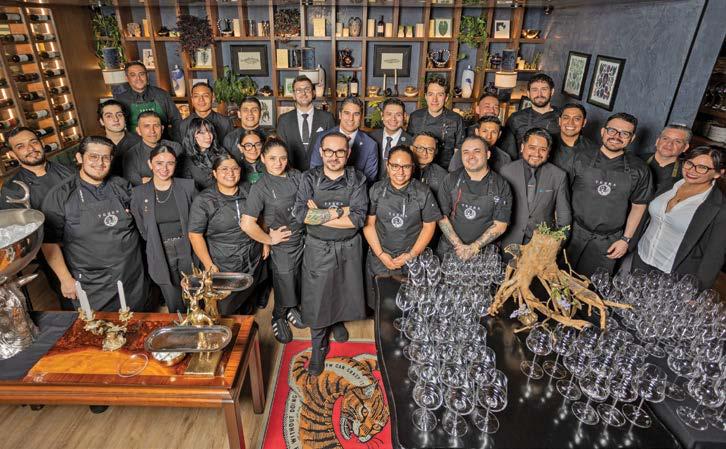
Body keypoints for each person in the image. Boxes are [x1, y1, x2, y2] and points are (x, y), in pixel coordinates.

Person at [41, 136, 149, 311]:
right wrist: (65, 279)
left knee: (137, 319)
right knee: (99, 325)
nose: (100, 163)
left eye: (105, 157)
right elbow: (48, 243)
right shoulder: (60, 195)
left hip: (131, 274)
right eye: (93, 156)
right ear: (79, 157)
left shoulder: (121, 186)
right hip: (93, 282)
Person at [292, 132, 368, 375]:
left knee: (343, 291)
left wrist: (320, 214)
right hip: (318, 247)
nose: (334, 156)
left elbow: (358, 220)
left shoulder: (357, 179)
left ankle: (336, 321)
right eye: (329, 151)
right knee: (317, 299)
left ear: (348, 153)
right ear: (321, 152)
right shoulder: (309, 177)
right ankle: (318, 347)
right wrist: (340, 211)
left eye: (340, 151)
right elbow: (301, 215)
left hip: (349, 248)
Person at [563, 112, 653, 277]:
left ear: (632, 138)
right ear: (603, 131)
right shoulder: (580, 157)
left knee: (592, 287)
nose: (616, 136)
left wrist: (625, 240)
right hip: (573, 232)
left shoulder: (639, 169)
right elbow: (562, 193)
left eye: (624, 133)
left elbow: (639, 206)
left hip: (608, 242)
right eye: (612, 130)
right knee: (557, 278)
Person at [241, 138, 306, 343]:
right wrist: (268, 239)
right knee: (285, 282)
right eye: (272, 158)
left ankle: (292, 308)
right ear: (262, 158)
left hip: (305, 238)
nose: (278, 163)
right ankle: (278, 316)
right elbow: (247, 224)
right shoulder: (260, 187)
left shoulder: (297, 175)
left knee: (300, 280)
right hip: (284, 244)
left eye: (282, 158)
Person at [633, 146, 725, 289]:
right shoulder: (669, 184)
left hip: (675, 273)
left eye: (702, 167)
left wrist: (698, 289)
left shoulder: (719, 208)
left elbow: (714, 256)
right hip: (642, 258)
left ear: (718, 173)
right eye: (689, 163)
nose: (692, 170)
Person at [363, 145, 441, 307]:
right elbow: (369, 225)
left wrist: (411, 255)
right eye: (395, 166)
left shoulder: (423, 192)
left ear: (412, 168)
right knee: (381, 306)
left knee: (410, 307)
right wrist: (381, 254)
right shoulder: (376, 190)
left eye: (406, 167)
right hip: (381, 258)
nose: (400, 171)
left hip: (412, 259)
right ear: (387, 166)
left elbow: (429, 226)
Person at [188, 155, 266, 315]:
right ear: (214, 173)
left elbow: (261, 216)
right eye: (224, 169)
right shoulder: (204, 200)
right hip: (224, 262)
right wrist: (209, 264)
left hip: (253, 255)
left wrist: (265, 242)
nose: (230, 173)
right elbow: (195, 235)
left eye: (235, 168)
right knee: (225, 307)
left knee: (248, 295)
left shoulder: (250, 190)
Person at [130, 146, 196, 313]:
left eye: (170, 163)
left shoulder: (188, 187)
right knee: (173, 298)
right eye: (159, 163)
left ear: (175, 164)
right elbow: (142, 228)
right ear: (150, 164)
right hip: (160, 249)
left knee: (195, 293)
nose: (164, 168)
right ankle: (180, 325)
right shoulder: (139, 193)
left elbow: (199, 220)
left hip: (188, 247)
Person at [436, 136, 512, 260]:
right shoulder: (451, 179)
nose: (471, 156)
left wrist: (474, 247)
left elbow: (500, 224)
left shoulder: (501, 185)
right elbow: (442, 217)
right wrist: (459, 245)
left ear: (488, 154)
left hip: (484, 252)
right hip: (450, 248)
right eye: (466, 152)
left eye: (477, 151)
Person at [499, 128, 571, 249]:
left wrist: (555, 246)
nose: (537, 154)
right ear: (522, 147)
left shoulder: (559, 176)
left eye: (543, 149)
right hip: (509, 242)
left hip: (541, 246)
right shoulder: (506, 171)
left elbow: (564, 217)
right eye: (532, 147)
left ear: (548, 152)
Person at [1, 127, 74, 210]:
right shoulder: (11, 190)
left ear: (42, 144)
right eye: (21, 146)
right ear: (13, 154)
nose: (31, 148)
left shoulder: (69, 171)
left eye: (34, 142)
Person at [310, 96, 378, 182]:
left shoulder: (370, 145)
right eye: (347, 113)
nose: (351, 118)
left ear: (361, 117)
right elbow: (314, 172)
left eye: (356, 114)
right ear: (340, 115)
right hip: (324, 188)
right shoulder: (323, 137)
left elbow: (369, 180)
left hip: (356, 190)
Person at [276, 75, 336, 171]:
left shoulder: (327, 118)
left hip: (320, 174)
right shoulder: (284, 120)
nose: (303, 93)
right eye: (298, 90)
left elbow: (333, 147)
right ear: (293, 95)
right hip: (292, 174)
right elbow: (280, 150)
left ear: (313, 93)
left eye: (307, 89)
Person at [407, 76, 465, 169]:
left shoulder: (456, 119)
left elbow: (458, 152)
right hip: (418, 169)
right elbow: (409, 147)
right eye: (431, 94)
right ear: (426, 96)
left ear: (446, 98)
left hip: (446, 171)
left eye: (440, 95)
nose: (434, 99)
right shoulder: (415, 117)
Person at [500, 73, 560, 159]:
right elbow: (507, 154)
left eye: (544, 89)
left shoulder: (563, 118)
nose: (539, 94)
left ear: (552, 92)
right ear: (528, 93)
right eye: (535, 90)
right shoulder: (516, 119)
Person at [113, 61, 181, 136]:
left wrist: (177, 140)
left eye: (141, 74)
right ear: (127, 78)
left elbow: (176, 120)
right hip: (134, 142)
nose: (138, 78)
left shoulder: (162, 95)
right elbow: (116, 125)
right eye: (133, 75)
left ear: (147, 76)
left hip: (163, 140)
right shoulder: (121, 99)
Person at [123, 110, 182, 186]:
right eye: (147, 126)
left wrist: (150, 181)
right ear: (138, 131)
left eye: (156, 126)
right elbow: (133, 185)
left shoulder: (175, 148)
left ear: (162, 129)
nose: (152, 131)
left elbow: (182, 179)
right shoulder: (131, 155)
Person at [369, 98, 413, 180]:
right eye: (389, 114)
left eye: (398, 115)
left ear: (404, 116)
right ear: (382, 115)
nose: (393, 119)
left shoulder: (411, 142)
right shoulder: (370, 138)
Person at [180, 117, 229, 191]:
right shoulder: (185, 160)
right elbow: (188, 189)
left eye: (210, 131)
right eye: (202, 132)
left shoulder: (220, 151)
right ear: (192, 135)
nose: (208, 136)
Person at [97, 99, 141, 176]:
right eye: (109, 116)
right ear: (101, 121)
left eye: (119, 115)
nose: (116, 119)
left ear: (125, 118)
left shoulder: (140, 141)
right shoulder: (96, 146)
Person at [643, 124, 691, 193]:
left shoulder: (686, 174)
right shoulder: (636, 160)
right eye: (665, 138)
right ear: (657, 141)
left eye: (677, 141)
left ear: (685, 147)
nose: (669, 144)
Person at [549, 102, 595, 171]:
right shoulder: (547, 141)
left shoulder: (593, 150)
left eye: (576, 119)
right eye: (566, 118)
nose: (570, 123)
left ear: (584, 122)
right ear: (560, 121)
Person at [411, 132, 447, 197]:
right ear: (411, 148)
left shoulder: (442, 176)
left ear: (436, 152)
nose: (424, 153)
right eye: (420, 148)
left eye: (430, 150)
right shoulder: (400, 170)